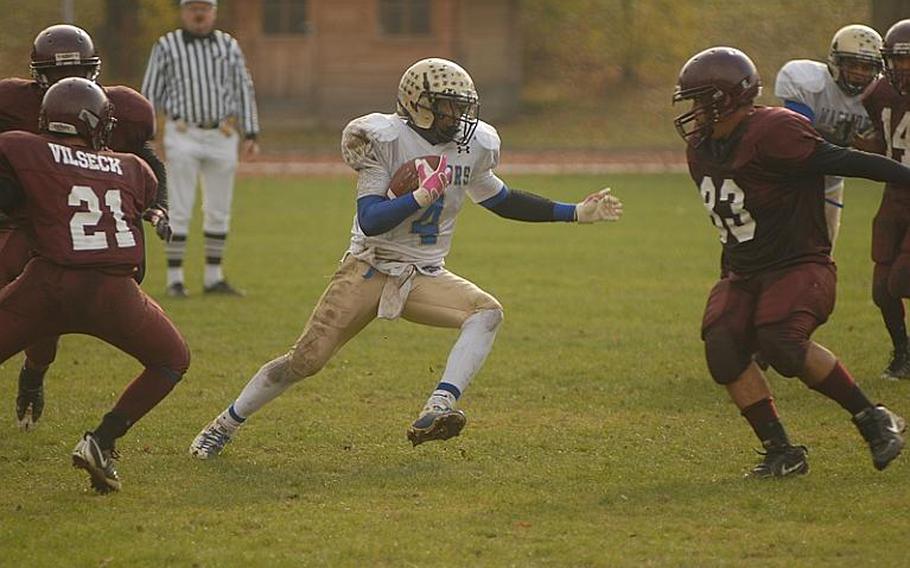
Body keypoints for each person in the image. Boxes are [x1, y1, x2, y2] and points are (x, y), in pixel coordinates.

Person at [188, 57, 623, 458]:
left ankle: (438, 406)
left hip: (424, 274)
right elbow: (371, 219)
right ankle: (223, 425)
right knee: (305, 361)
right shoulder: (384, 139)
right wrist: (421, 194)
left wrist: (575, 213)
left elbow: (501, 199)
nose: (460, 117)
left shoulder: (472, 146)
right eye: (449, 107)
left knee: (486, 313)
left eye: (463, 106)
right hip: (369, 267)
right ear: (419, 106)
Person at [673, 46, 907, 477]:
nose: (694, 112)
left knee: (781, 340)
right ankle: (782, 451)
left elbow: (843, 161)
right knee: (722, 347)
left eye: (700, 100)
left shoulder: (774, 131)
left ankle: (874, 419)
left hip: (799, 263)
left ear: (726, 99)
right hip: (744, 268)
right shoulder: (703, 149)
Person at [0, 78, 190, 492]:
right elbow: (144, 184)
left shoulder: (21, 146)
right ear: (98, 124)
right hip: (113, 292)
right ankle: (101, 442)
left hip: (47, 286)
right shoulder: (131, 167)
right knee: (171, 360)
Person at [0, 24, 170, 432]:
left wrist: (158, 207)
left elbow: (145, 161)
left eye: (76, 71)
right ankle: (38, 369)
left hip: (91, 234)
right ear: (37, 76)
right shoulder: (13, 114)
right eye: (57, 75)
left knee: (57, 295)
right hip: (31, 223)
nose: (67, 83)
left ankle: (36, 373)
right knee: (28, 290)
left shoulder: (119, 111)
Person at [141, 0, 260, 297]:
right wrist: (144, 133)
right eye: (193, 7)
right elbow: (150, 92)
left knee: (219, 209)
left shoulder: (227, 45)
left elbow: (242, 88)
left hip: (221, 132)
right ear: (183, 12)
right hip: (183, 132)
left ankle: (213, 276)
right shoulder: (167, 45)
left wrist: (251, 132)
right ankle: (174, 278)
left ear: (213, 12)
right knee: (179, 206)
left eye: (204, 7)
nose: (198, 13)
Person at [774, 24, 883, 251]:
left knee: (822, 253)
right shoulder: (808, 82)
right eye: (853, 64)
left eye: (867, 67)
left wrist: (863, 143)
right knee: (776, 247)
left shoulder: (880, 96)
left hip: (831, 183)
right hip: (790, 177)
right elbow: (798, 139)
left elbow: (884, 149)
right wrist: (840, 139)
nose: (860, 73)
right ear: (836, 62)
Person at [862, 19, 910, 381]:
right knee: (882, 290)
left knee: (901, 280)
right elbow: (885, 144)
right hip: (893, 198)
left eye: (908, 61)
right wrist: (850, 144)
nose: (902, 69)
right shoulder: (879, 94)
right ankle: (903, 353)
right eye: (896, 60)